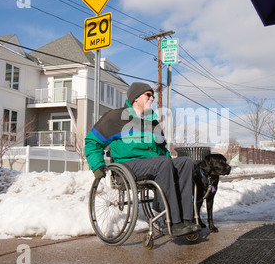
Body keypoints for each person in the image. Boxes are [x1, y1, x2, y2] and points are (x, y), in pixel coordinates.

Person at [85, 82, 200, 237]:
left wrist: (173, 165)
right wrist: (97, 165)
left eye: (153, 95)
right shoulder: (115, 117)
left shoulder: (151, 121)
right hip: (127, 165)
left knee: (185, 162)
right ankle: (172, 221)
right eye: (148, 95)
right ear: (136, 98)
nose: (152, 98)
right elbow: (92, 141)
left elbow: (162, 150)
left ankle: (186, 219)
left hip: (155, 164)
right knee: (162, 162)